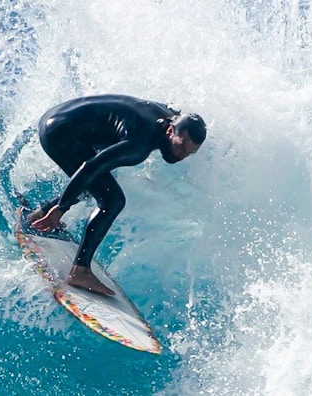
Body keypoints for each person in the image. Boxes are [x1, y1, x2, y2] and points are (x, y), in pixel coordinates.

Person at [25, 94, 206, 296]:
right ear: (170, 131)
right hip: (60, 134)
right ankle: (80, 271)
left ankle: (40, 214)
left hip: (58, 118)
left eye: (189, 153)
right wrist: (61, 208)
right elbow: (90, 167)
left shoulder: (170, 118)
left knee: (100, 184)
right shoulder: (139, 145)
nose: (181, 156)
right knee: (112, 200)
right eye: (180, 147)